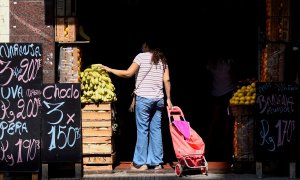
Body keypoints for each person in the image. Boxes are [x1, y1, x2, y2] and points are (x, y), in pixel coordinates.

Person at [101, 39, 173, 170]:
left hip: (144, 99)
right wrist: (169, 99)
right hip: (159, 100)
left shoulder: (141, 57)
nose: (141, 46)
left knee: (143, 130)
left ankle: (140, 163)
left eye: (143, 44)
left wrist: (109, 69)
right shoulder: (163, 59)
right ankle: (156, 162)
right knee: (156, 130)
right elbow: (167, 79)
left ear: (146, 45)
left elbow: (128, 73)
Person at [206, 54, 237, 161]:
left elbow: (208, 77)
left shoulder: (211, 63)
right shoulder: (229, 62)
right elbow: (234, 76)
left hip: (216, 94)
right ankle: (228, 150)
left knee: (213, 123)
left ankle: (208, 149)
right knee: (227, 123)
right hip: (229, 93)